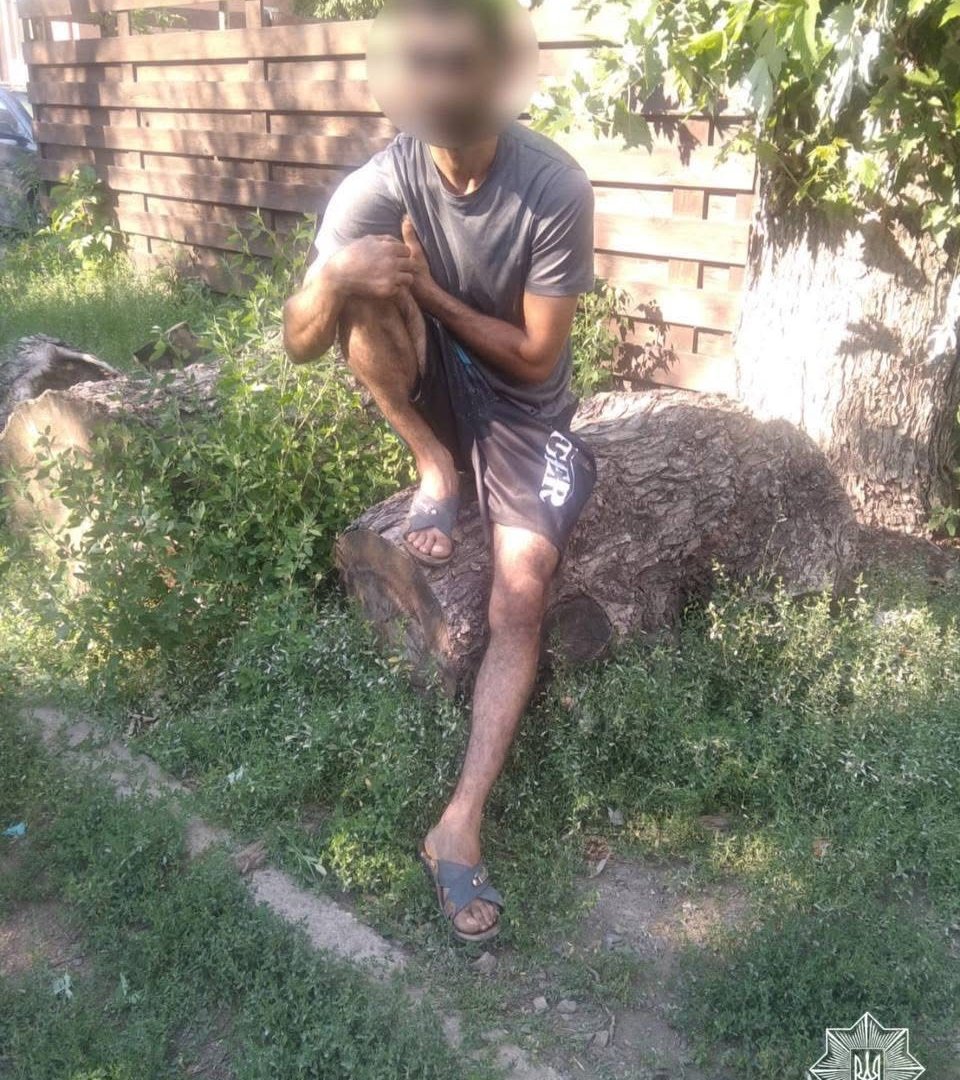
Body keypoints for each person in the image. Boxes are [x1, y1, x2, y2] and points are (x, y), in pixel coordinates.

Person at [282, 0, 596, 943]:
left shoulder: (553, 186)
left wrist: (426, 287)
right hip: (437, 386)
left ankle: (456, 823)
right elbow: (299, 341)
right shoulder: (381, 183)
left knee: (520, 596)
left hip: (526, 411)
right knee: (357, 290)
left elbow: (536, 359)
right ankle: (434, 464)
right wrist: (335, 278)